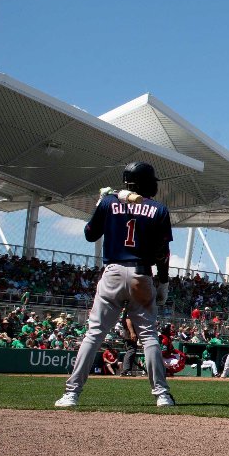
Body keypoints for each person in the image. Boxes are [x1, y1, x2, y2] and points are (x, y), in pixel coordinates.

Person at [55, 161, 175, 408]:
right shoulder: (158, 209)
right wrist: (163, 281)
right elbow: (163, 252)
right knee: (149, 336)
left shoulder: (109, 202)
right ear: (147, 183)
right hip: (142, 274)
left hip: (112, 272)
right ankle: (162, 395)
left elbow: (90, 234)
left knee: (94, 334)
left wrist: (100, 206)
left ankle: (71, 394)